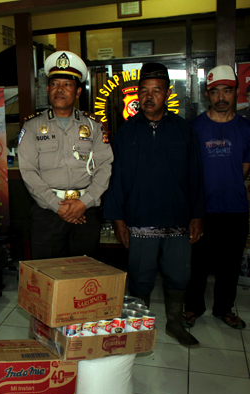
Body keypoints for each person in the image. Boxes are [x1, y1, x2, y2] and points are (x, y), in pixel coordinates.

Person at [104, 62, 205, 348]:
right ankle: (139, 328)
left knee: (178, 275)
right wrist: (118, 219)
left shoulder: (183, 130)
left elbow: (196, 174)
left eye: (156, 91)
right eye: (143, 91)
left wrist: (198, 215)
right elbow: (116, 179)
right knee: (140, 278)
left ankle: (174, 323)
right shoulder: (125, 132)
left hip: (178, 219)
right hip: (139, 220)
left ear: (167, 93)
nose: (149, 97)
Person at [18, 50, 113, 260]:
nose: (59, 90)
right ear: (47, 88)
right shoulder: (32, 126)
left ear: (78, 92)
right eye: (54, 84)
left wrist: (84, 203)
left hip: (85, 211)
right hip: (47, 214)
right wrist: (55, 205)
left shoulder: (94, 126)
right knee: (49, 276)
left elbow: (104, 166)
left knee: (84, 276)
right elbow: (28, 171)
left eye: (67, 85)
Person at [183, 65, 250, 330]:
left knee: (230, 265)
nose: (221, 97)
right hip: (202, 210)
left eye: (227, 91)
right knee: (196, 263)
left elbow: (243, 168)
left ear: (236, 92)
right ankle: (192, 308)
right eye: (215, 92)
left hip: (234, 209)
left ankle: (223, 309)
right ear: (207, 94)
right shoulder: (194, 128)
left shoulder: (246, 129)